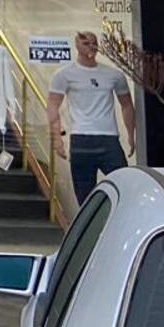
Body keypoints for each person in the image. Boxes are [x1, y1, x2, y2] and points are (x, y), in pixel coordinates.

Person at [47, 31, 135, 204]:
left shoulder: (113, 74)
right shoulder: (64, 74)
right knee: (85, 196)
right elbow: (52, 105)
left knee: (124, 188)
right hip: (82, 139)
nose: (92, 47)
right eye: (86, 43)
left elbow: (126, 104)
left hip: (108, 138)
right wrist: (56, 139)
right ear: (77, 45)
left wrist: (131, 135)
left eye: (94, 43)